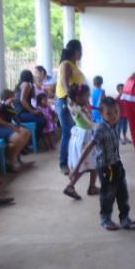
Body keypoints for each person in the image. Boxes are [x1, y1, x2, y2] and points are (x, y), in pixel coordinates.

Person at [68, 97, 135, 231]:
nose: (113, 116)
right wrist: (76, 168)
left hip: (117, 165)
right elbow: (88, 148)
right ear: (102, 114)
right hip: (106, 168)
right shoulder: (100, 129)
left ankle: (125, 219)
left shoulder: (115, 125)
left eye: (116, 112)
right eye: (109, 113)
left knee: (123, 194)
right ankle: (105, 219)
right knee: (108, 195)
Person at [63, 84, 99, 199]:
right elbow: (91, 124)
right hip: (86, 137)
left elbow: (69, 98)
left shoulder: (71, 104)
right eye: (87, 96)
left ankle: (90, 186)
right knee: (89, 163)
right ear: (78, 98)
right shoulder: (80, 110)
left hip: (79, 135)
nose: (88, 99)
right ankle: (73, 186)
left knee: (92, 163)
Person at [55, 40, 86, 175]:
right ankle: (63, 164)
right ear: (76, 51)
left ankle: (73, 161)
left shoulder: (73, 65)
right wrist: (72, 100)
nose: (82, 54)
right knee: (68, 133)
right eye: (81, 51)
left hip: (73, 102)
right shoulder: (66, 65)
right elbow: (65, 84)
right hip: (65, 102)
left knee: (75, 132)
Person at [14, 70, 47, 150]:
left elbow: (26, 101)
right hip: (21, 113)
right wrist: (33, 111)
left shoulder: (21, 84)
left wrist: (34, 109)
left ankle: (32, 141)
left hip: (20, 112)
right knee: (42, 120)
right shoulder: (26, 85)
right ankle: (31, 142)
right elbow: (23, 100)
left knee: (41, 116)